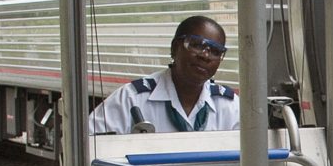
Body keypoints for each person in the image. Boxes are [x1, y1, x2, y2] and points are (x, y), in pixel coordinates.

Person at [89, 15, 241, 134]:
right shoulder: (130, 99)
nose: (205, 56)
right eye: (196, 45)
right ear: (175, 48)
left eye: (215, 52)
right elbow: (93, 149)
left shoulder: (230, 106)